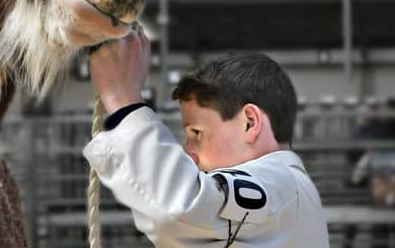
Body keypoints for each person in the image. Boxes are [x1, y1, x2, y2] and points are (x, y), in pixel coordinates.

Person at [83, 28, 329, 247]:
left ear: (250, 123)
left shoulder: (282, 184)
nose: (189, 150)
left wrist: (122, 98)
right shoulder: (285, 194)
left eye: (197, 134)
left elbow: (181, 208)